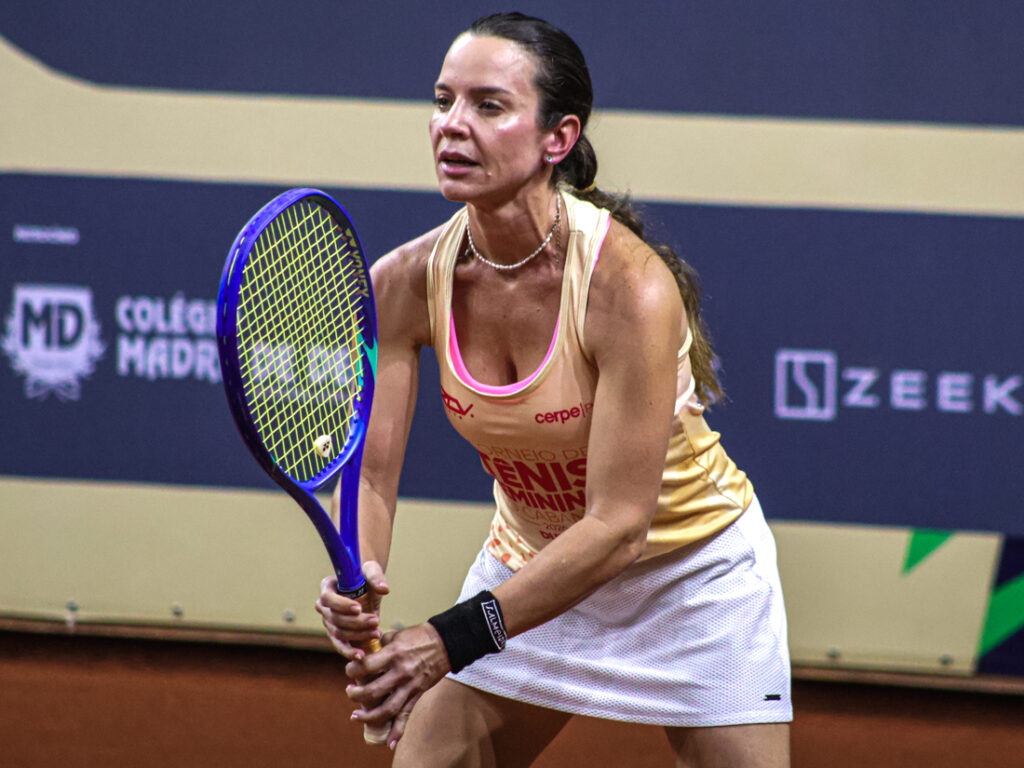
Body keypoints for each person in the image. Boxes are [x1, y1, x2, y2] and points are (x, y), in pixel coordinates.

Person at [317, 12, 791, 767]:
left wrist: (448, 639)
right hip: (531, 566)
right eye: (443, 101)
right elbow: (372, 473)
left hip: (691, 577)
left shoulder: (629, 289)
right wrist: (361, 573)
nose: (452, 125)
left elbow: (619, 527)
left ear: (558, 138)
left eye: (488, 105)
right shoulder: (403, 283)